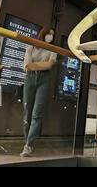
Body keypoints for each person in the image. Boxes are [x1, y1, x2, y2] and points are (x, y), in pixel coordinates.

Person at [20, 27, 57, 158]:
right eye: (48, 34)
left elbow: (50, 65)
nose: (50, 37)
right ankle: (27, 143)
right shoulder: (31, 46)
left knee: (37, 114)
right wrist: (42, 64)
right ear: (43, 33)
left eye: (52, 35)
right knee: (27, 113)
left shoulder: (53, 49)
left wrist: (36, 65)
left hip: (44, 80)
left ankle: (28, 145)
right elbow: (27, 66)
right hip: (29, 79)